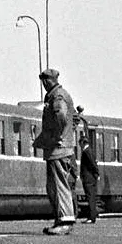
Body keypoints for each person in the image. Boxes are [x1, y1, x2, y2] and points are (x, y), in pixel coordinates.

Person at [33, 69, 79, 234]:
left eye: (44, 81)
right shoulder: (59, 95)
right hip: (58, 149)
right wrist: (67, 133)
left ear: (47, 81)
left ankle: (65, 221)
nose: (43, 84)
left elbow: (61, 116)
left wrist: (56, 136)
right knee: (53, 186)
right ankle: (60, 219)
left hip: (58, 149)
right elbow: (74, 118)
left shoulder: (57, 96)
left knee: (59, 185)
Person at [75, 106, 101, 222]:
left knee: (90, 197)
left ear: (82, 143)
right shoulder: (88, 150)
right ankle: (92, 216)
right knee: (91, 197)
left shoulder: (87, 151)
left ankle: (91, 217)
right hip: (90, 178)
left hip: (89, 178)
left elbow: (92, 163)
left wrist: (96, 173)